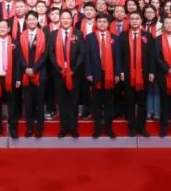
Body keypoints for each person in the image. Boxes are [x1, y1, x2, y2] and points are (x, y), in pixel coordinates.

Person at [49, 9, 83, 138]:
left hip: (74, 74)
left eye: (68, 18)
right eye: (63, 18)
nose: (65, 20)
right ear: (60, 19)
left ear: (71, 19)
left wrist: (74, 69)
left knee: (73, 101)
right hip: (59, 74)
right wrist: (59, 69)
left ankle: (73, 128)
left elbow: (81, 53)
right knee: (62, 101)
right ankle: (64, 128)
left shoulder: (78, 33)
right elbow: (51, 54)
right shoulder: (53, 34)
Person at [85, 13, 119, 139]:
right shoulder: (90, 37)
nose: (102, 24)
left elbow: (117, 57)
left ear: (108, 23)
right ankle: (97, 129)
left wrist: (117, 73)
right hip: (96, 73)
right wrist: (88, 73)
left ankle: (109, 128)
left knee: (109, 102)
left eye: (104, 21)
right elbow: (87, 57)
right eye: (100, 21)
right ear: (96, 23)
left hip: (110, 74)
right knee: (97, 103)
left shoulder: (115, 38)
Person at [118, 12, 152, 138]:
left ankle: (142, 128)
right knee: (130, 102)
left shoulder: (147, 35)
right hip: (128, 75)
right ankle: (132, 128)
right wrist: (121, 71)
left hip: (144, 74)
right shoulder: (123, 36)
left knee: (142, 103)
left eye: (137, 18)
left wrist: (151, 72)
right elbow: (119, 55)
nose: (134, 21)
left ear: (141, 21)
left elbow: (152, 56)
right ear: (129, 21)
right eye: (132, 19)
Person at [17, 12, 48, 139]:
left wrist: (34, 69)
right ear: (26, 21)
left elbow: (45, 55)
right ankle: (29, 128)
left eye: (34, 19)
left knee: (40, 103)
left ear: (37, 20)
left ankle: (39, 129)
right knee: (28, 104)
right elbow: (19, 54)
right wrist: (26, 68)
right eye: (29, 19)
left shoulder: (44, 34)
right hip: (25, 74)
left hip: (40, 74)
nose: (31, 21)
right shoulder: (21, 35)